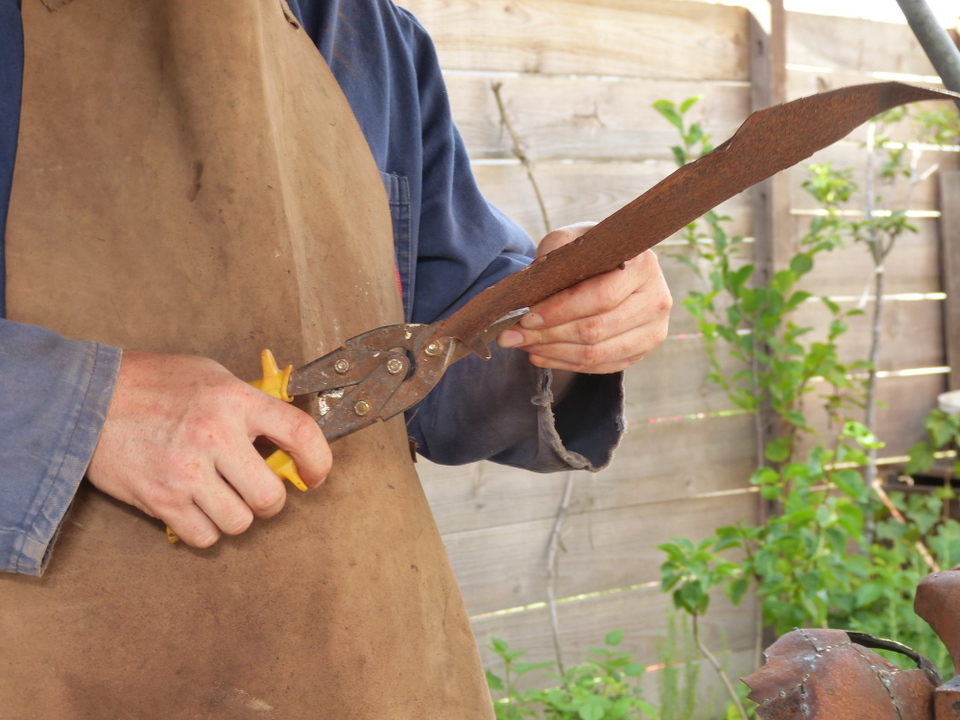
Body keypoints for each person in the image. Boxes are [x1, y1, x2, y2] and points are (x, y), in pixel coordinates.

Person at [0, 0, 670, 717]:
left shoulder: (374, 39)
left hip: (370, 669)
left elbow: (436, 361)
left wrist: (570, 326)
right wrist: (79, 406)